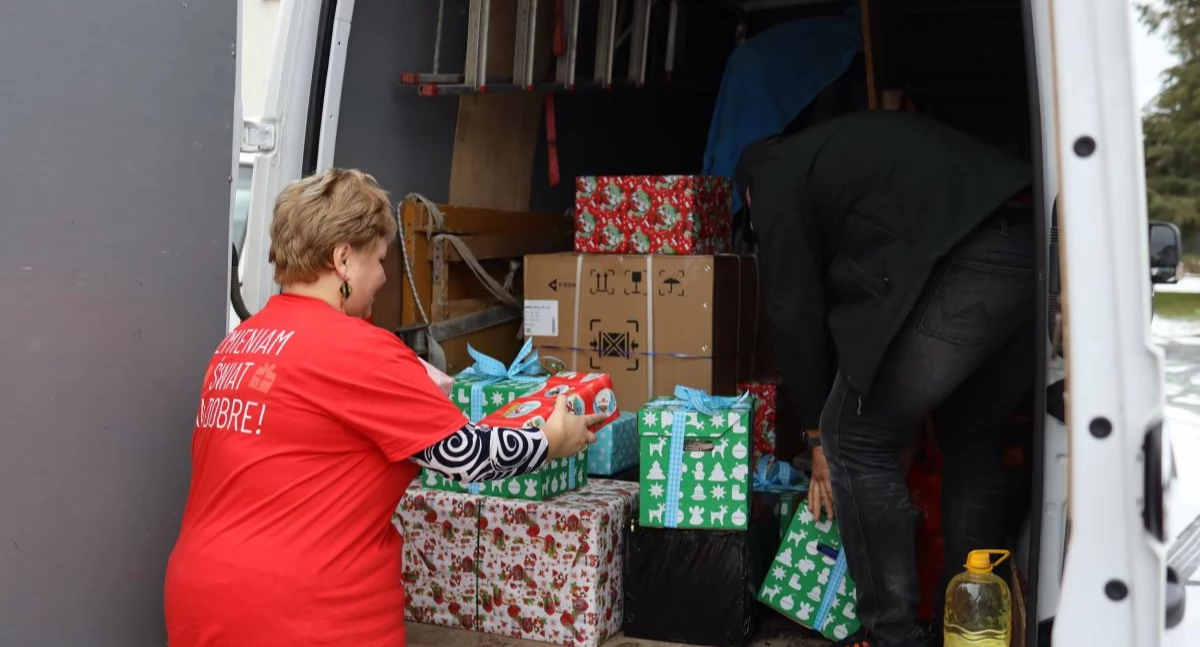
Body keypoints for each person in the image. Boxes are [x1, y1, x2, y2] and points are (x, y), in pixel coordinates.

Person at [164, 169, 602, 647]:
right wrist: (552, 439)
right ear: (343, 259)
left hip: (202, 597)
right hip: (306, 612)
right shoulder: (358, 350)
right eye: (378, 259)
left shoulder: (239, 345)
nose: (384, 276)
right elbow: (467, 456)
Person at [736, 110, 1034, 647]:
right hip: (1034, 249)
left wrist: (815, 435)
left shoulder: (774, 173)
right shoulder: (839, 157)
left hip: (967, 256)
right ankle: (966, 630)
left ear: (748, 197)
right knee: (973, 434)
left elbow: (793, 306)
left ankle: (892, 634)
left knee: (853, 438)